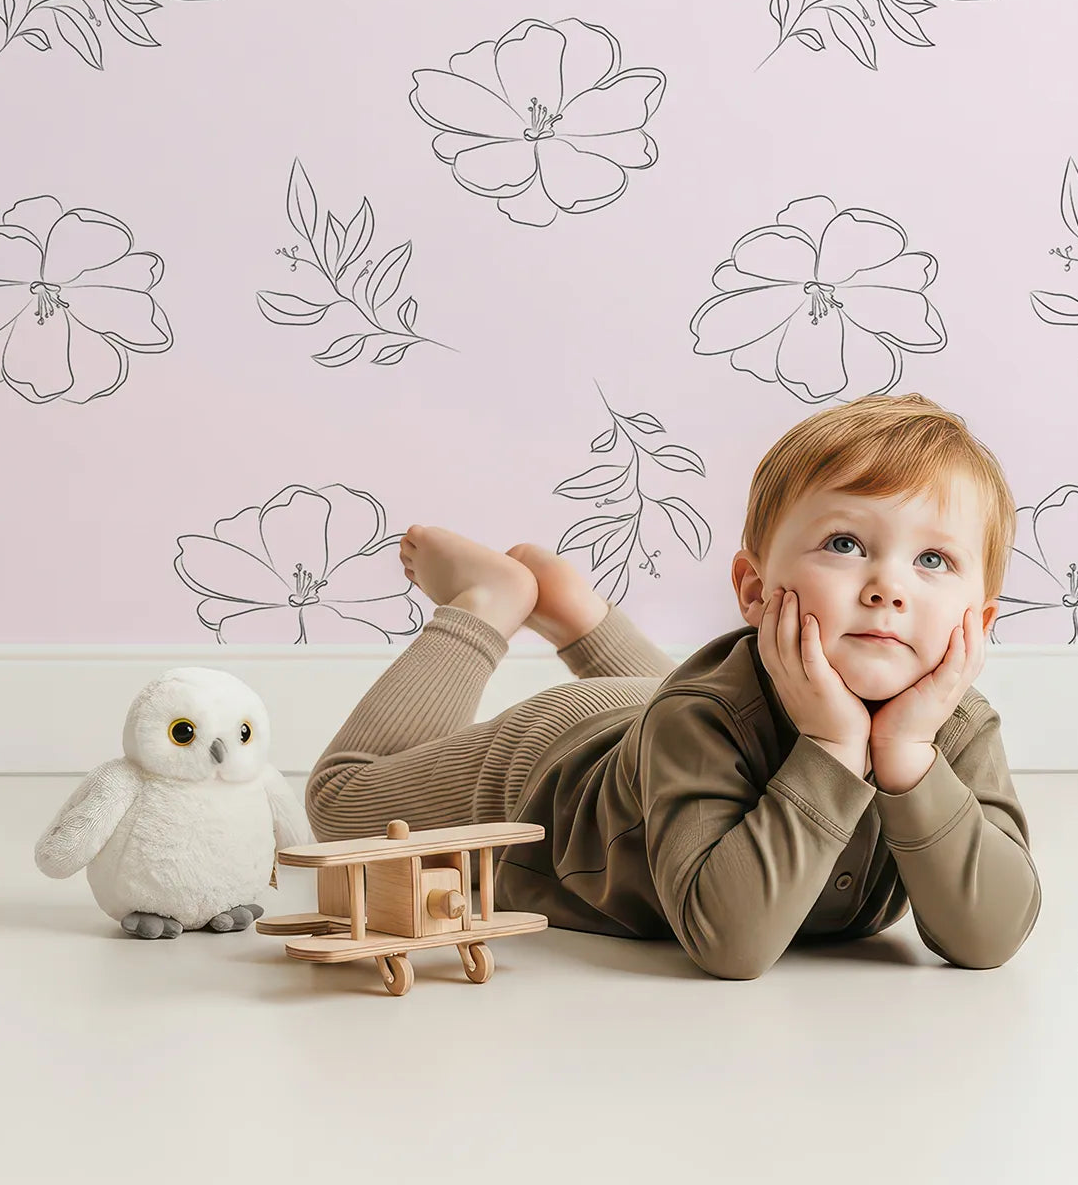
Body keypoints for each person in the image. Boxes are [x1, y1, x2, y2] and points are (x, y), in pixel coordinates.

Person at [305, 392, 1041, 979]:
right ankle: (488, 601)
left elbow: (991, 939)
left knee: (696, 706)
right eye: (845, 545)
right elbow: (730, 943)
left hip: (662, 715)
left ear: (979, 619)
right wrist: (831, 744)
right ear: (754, 589)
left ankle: (576, 613)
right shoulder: (700, 718)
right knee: (339, 805)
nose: (887, 587)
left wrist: (908, 756)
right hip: (552, 762)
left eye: (934, 561)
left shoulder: (958, 726)